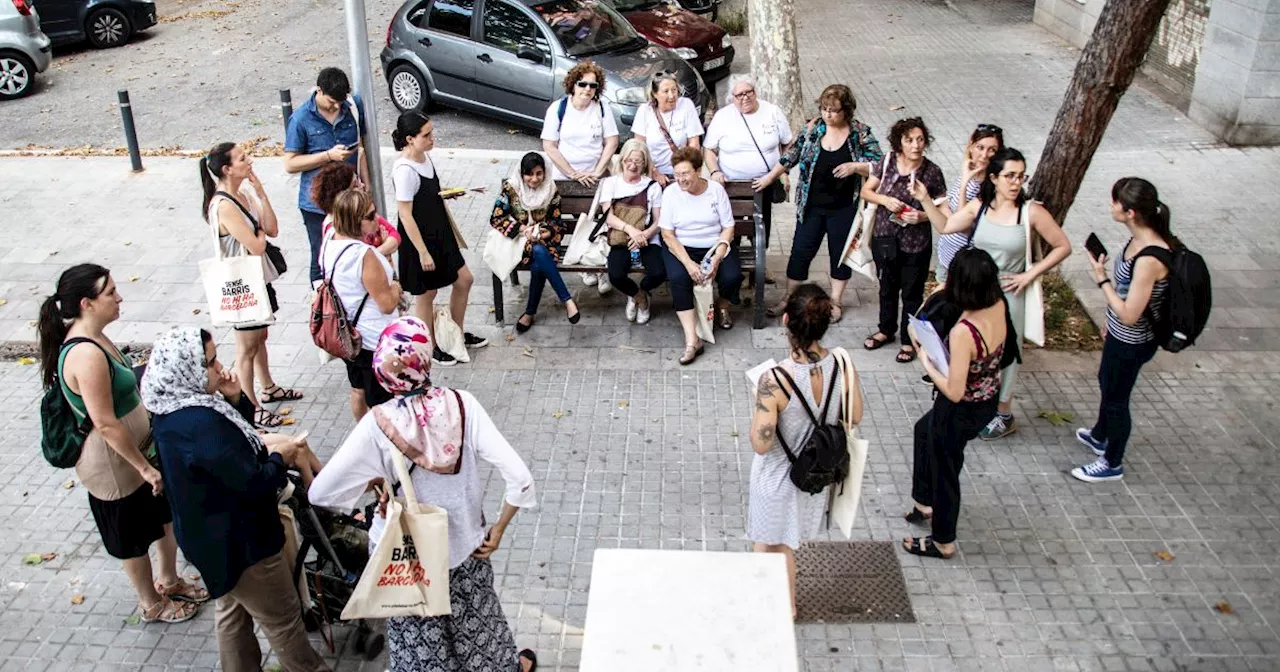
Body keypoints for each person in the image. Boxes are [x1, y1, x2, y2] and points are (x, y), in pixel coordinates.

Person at [309, 317, 539, 672]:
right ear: (424, 359)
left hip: (407, 564)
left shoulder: (376, 424)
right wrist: (498, 529)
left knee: (424, 655)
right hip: (466, 551)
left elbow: (323, 493)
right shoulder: (464, 405)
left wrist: (377, 482)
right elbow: (520, 478)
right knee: (481, 641)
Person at [143, 328, 328, 671]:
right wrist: (281, 458)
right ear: (188, 368)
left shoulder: (172, 405)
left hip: (206, 540)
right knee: (284, 620)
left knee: (231, 610)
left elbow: (232, 450)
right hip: (243, 543)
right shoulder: (201, 423)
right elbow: (252, 479)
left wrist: (236, 399)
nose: (219, 367)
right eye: (210, 362)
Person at [37, 264, 208, 625]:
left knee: (162, 518)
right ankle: (150, 603)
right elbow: (104, 422)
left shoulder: (98, 334)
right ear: (87, 303)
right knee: (131, 533)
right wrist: (143, 468)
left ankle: (169, 579)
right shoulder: (84, 353)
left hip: (139, 450)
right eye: (111, 292)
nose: (119, 297)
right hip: (116, 465)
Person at [938, 148, 1071, 439]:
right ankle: (973, 401)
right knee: (974, 349)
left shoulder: (1031, 211)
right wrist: (924, 198)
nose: (1016, 182)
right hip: (975, 293)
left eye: (1021, 176)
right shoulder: (981, 206)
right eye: (1010, 175)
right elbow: (947, 226)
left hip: (1010, 294)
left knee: (1008, 354)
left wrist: (1030, 274)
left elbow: (1063, 246)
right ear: (995, 178)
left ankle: (1003, 413)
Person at [748, 284, 862, 617]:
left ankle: (775, 605)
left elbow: (761, 442)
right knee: (784, 543)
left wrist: (757, 403)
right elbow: (854, 417)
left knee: (767, 542)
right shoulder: (842, 364)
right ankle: (787, 604)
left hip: (776, 478)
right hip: (813, 476)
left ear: (786, 321)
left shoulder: (774, 380)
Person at [904, 248, 1007, 560]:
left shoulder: (965, 332)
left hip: (961, 409)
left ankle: (942, 540)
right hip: (987, 399)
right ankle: (924, 501)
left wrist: (926, 361)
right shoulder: (998, 304)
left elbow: (953, 390)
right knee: (924, 431)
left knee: (946, 470)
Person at [1071, 177, 1174, 483]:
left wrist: (1101, 280)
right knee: (1106, 380)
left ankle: (1112, 461)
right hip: (1119, 334)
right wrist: (1109, 321)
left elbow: (1130, 314)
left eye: (1115, 201)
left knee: (1117, 399)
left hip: (1133, 340)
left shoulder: (1150, 258)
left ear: (1130, 212)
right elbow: (1127, 295)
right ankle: (1100, 434)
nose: (1110, 206)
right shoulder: (1137, 240)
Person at [756, 85, 882, 322]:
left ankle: (835, 301)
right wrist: (770, 178)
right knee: (800, 252)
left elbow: (879, 163)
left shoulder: (860, 133)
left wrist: (856, 167)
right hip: (812, 206)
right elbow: (790, 156)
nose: (828, 115)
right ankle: (790, 298)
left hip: (844, 207)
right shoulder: (813, 129)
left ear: (846, 111)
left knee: (839, 255)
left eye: (833, 111)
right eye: (824, 109)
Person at [200, 142, 302, 428]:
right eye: (243, 158)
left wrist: (261, 193)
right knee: (246, 348)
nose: (250, 161)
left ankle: (268, 387)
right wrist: (258, 232)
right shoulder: (223, 206)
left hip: (257, 279)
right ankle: (250, 405)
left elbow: (271, 229)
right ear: (226, 169)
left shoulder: (243, 193)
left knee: (261, 338)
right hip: (243, 285)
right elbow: (257, 246)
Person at [391, 111, 487, 367]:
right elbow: (405, 215)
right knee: (427, 293)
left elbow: (427, 194)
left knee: (464, 279)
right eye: (427, 135)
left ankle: (454, 334)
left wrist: (445, 195)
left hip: (439, 231)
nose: (432, 138)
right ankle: (430, 346)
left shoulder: (424, 158)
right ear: (410, 139)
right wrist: (422, 252)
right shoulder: (404, 170)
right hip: (421, 239)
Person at [859, 117, 950, 362]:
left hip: (916, 242)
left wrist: (921, 216)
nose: (915, 145)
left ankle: (909, 339)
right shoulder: (887, 162)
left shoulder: (932, 172)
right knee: (887, 287)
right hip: (885, 237)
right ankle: (885, 329)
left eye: (920, 140)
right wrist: (885, 200)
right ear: (900, 141)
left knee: (912, 292)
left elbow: (942, 211)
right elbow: (867, 191)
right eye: (910, 140)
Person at [322, 188, 403, 420]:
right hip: (374, 341)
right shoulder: (364, 255)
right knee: (386, 407)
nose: (376, 219)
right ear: (355, 221)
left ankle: (363, 435)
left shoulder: (330, 240)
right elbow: (386, 304)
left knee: (358, 389)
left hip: (349, 336)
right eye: (370, 216)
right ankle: (383, 449)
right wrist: (396, 286)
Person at [704, 74, 794, 279]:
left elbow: (788, 144)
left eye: (749, 92)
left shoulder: (772, 112)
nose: (745, 98)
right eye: (739, 95)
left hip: (765, 182)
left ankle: (758, 268)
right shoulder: (723, 117)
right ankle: (733, 267)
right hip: (732, 185)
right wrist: (715, 171)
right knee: (732, 227)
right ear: (731, 98)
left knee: (762, 227)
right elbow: (708, 150)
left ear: (756, 92)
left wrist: (782, 172)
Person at [541, 60, 619, 294]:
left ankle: (600, 267)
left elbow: (611, 141)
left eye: (593, 85)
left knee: (599, 222)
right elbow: (550, 145)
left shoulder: (602, 108)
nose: (587, 89)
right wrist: (572, 174)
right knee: (579, 220)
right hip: (567, 178)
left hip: (596, 177)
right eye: (583, 84)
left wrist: (597, 171)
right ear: (573, 84)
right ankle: (588, 265)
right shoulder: (558, 108)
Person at [659, 146, 743, 365]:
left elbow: (728, 228)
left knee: (732, 276)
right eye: (677, 175)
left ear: (698, 171)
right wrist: (688, 264)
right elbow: (667, 234)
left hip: (714, 245)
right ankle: (692, 340)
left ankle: (723, 305)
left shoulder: (715, 191)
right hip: (681, 247)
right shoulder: (670, 193)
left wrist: (717, 257)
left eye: (685, 174)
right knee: (679, 278)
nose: (681, 179)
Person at [284, 67, 367, 286]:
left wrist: (366, 187)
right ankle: (322, 304)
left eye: (341, 101)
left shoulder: (353, 107)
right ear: (319, 91)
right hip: (317, 204)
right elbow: (290, 163)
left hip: (350, 199)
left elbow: (362, 149)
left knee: (353, 252)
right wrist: (327, 156)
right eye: (332, 101)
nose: (336, 107)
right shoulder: (301, 119)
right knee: (321, 256)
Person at [489, 152, 577, 333]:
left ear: (544, 172)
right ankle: (567, 300)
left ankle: (530, 313)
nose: (534, 179)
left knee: (539, 257)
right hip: (515, 244)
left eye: (539, 173)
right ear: (521, 174)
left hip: (545, 242)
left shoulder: (551, 190)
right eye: (529, 174)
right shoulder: (511, 188)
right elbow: (496, 218)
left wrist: (543, 233)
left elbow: (557, 222)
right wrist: (522, 230)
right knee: (539, 254)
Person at [599, 139, 665, 324]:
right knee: (616, 275)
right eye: (629, 160)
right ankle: (638, 297)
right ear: (622, 160)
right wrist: (631, 230)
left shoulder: (652, 186)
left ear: (645, 163)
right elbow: (609, 217)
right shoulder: (611, 183)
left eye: (638, 161)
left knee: (659, 273)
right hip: (621, 237)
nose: (633, 165)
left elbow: (659, 220)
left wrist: (644, 234)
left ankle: (642, 291)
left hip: (647, 239)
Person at [935, 124, 1004, 286]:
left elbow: (964, 224)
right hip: (946, 256)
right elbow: (950, 205)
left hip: (964, 264)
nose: (984, 155)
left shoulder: (990, 185)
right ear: (971, 146)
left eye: (992, 150)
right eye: (980, 147)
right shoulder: (970, 169)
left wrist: (964, 184)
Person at [311, 161, 401, 260]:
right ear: (342, 196)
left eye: (358, 180)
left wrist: (376, 253)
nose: (362, 185)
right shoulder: (336, 230)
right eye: (355, 185)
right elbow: (359, 261)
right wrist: (382, 253)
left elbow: (394, 235)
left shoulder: (360, 212)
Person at [630, 71, 703, 186]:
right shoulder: (644, 111)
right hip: (653, 172)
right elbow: (639, 147)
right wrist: (654, 172)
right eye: (666, 91)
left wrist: (685, 171)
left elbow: (694, 143)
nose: (671, 96)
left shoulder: (686, 105)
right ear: (655, 94)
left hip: (682, 171)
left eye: (674, 90)